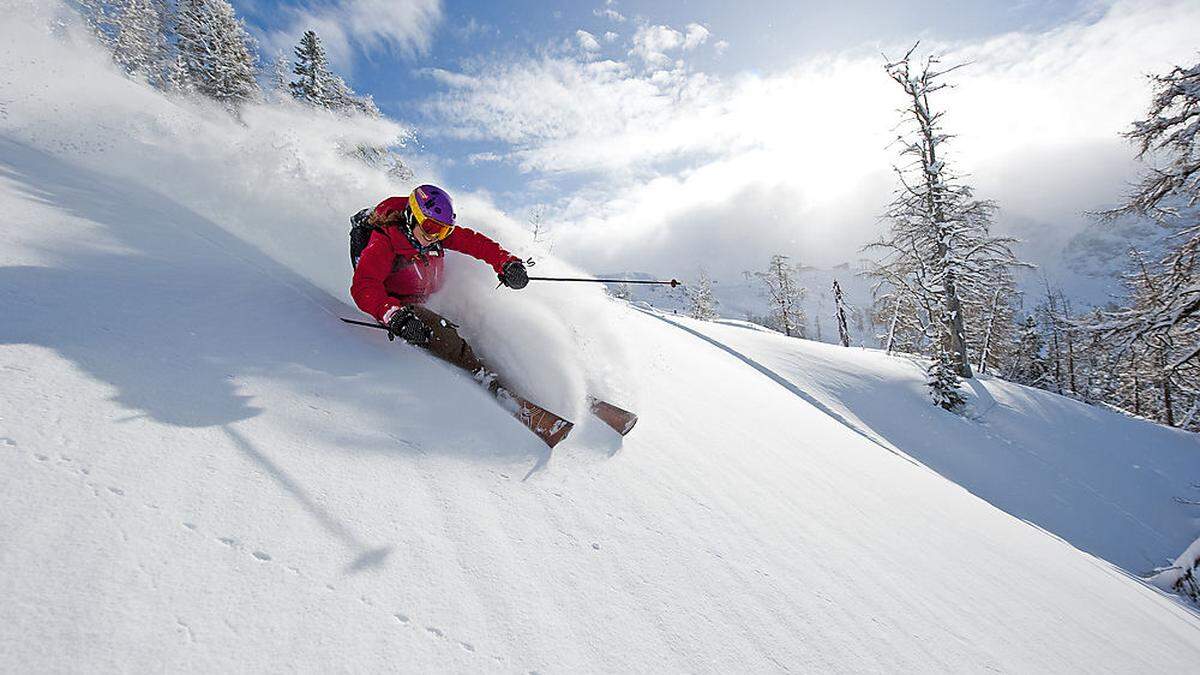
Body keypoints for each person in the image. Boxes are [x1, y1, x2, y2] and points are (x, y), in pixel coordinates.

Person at [350, 184, 529, 374]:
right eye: (431, 227)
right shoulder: (385, 241)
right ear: (413, 217)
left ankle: (496, 365)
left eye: (444, 231)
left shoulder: (431, 236)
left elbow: (475, 242)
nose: (435, 236)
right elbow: (364, 285)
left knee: (474, 311)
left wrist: (506, 262)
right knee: (442, 333)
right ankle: (482, 376)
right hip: (400, 307)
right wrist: (394, 315)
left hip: (430, 297)